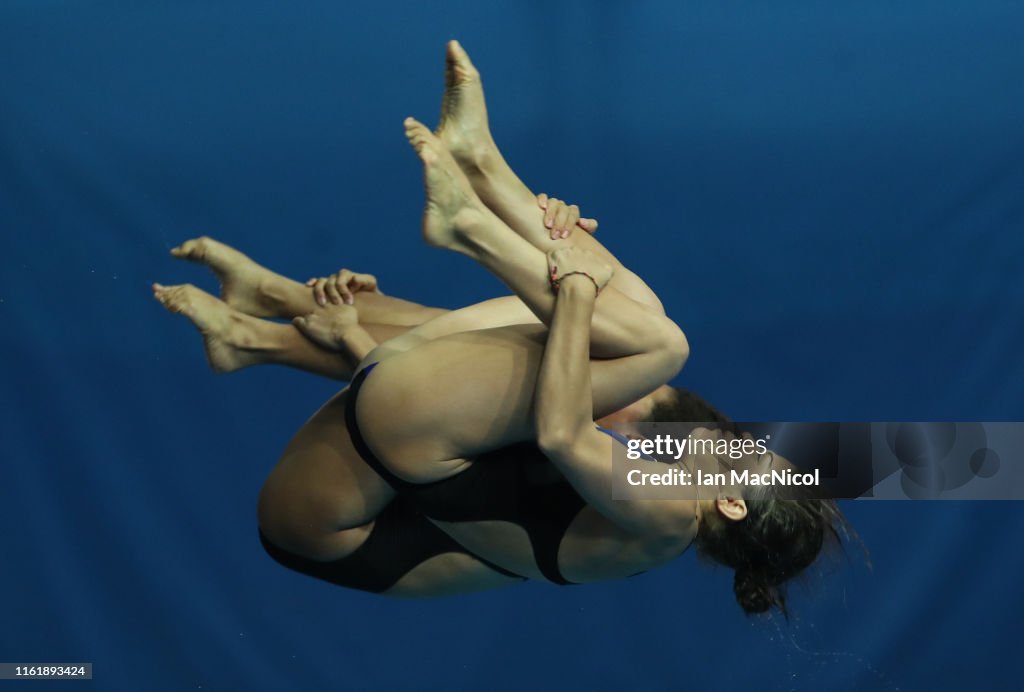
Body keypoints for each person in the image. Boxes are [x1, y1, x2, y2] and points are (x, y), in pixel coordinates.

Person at [154, 41, 847, 614]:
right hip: (397, 457)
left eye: (759, 459)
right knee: (631, 320)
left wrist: (574, 288)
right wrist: (569, 275)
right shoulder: (656, 492)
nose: (754, 442)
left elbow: (557, 433)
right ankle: (478, 173)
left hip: (339, 524)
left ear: (729, 500)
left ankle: (471, 219)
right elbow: (489, 454)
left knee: (656, 341)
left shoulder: (668, 516)